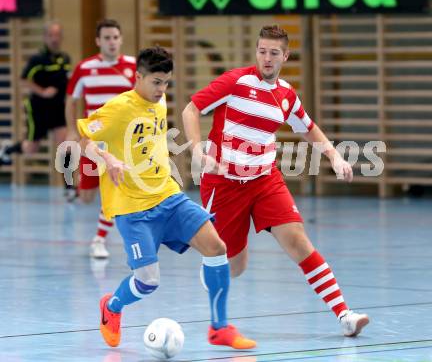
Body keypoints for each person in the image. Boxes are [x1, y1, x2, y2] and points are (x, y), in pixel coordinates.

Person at [182, 25, 370, 337]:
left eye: (273, 53)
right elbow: (192, 109)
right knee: (235, 266)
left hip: (265, 180)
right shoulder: (235, 82)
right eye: (262, 51)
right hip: (225, 184)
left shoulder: (286, 96)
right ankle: (212, 270)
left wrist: (334, 156)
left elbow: (309, 127)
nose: (266, 58)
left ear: (285, 56)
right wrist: (197, 150)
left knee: (298, 241)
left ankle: (344, 314)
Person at [76, 46, 256, 350]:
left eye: (166, 83)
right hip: (133, 209)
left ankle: (219, 328)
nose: (162, 89)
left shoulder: (159, 106)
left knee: (216, 247)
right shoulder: (119, 108)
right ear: (139, 77)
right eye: (156, 82)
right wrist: (107, 159)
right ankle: (112, 307)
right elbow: (84, 141)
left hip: (167, 197)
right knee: (147, 281)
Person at [65, 19, 136, 259]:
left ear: (121, 39)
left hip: (119, 143)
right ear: (98, 41)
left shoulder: (133, 67)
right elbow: (70, 100)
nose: (112, 42)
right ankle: (82, 194)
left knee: (113, 188)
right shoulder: (84, 68)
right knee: (87, 197)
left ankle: (99, 239)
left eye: (115, 37)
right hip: (92, 141)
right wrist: (72, 130)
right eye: (106, 38)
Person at [0, 21, 75, 200]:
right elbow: (23, 80)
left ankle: (70, 188)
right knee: (31, 148)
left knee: (65, 147)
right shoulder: (37, 60)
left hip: (58, 109)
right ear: (45, 37)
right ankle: (7, 150)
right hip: (38, 109)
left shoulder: (65, 59)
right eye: (51, 35)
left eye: (57, 35)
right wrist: (42, 91)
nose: (54, 39)